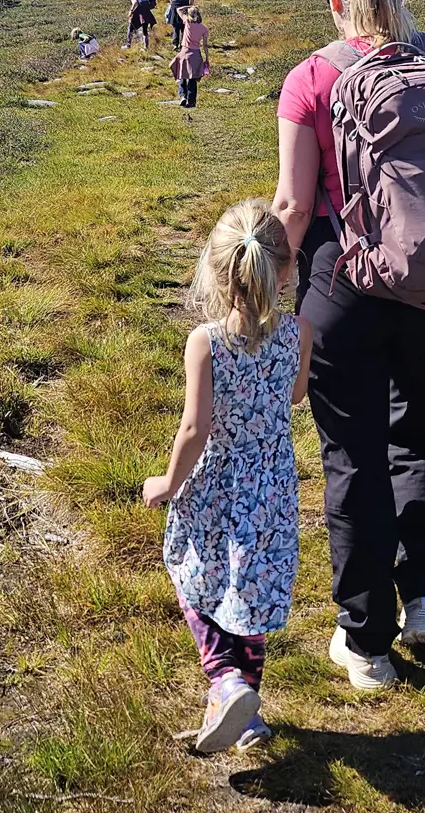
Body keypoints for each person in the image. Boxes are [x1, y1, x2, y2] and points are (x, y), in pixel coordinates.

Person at [271, 0, 425, 691]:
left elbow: (296, 209)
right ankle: (424, 598)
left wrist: (269, 295)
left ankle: (364, 641)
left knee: (352, 453)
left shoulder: (312, 77)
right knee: (418, 429)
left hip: (346, 281)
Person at [143, 201, 313, 754]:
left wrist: (168, 483)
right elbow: (294, 395)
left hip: (217, 482)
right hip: (272, 487)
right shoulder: (299, 333)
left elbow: (196, 427)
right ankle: (250, 716)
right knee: (252, 592)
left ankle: (226, 682)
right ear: (285, 271)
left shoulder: (206, 342)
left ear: (217, 272)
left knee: (192, 571)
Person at [172, 6, 209, 107]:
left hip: (184, 52)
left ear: (189, 14)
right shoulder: (204, 29)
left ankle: (183, 96)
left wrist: (189, 6)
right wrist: (207, 58)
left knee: (182, 75)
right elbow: (205, 46)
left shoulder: (187, 22)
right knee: (193, 78)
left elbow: (178, 9)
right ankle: (191, 101)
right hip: (196, 54)